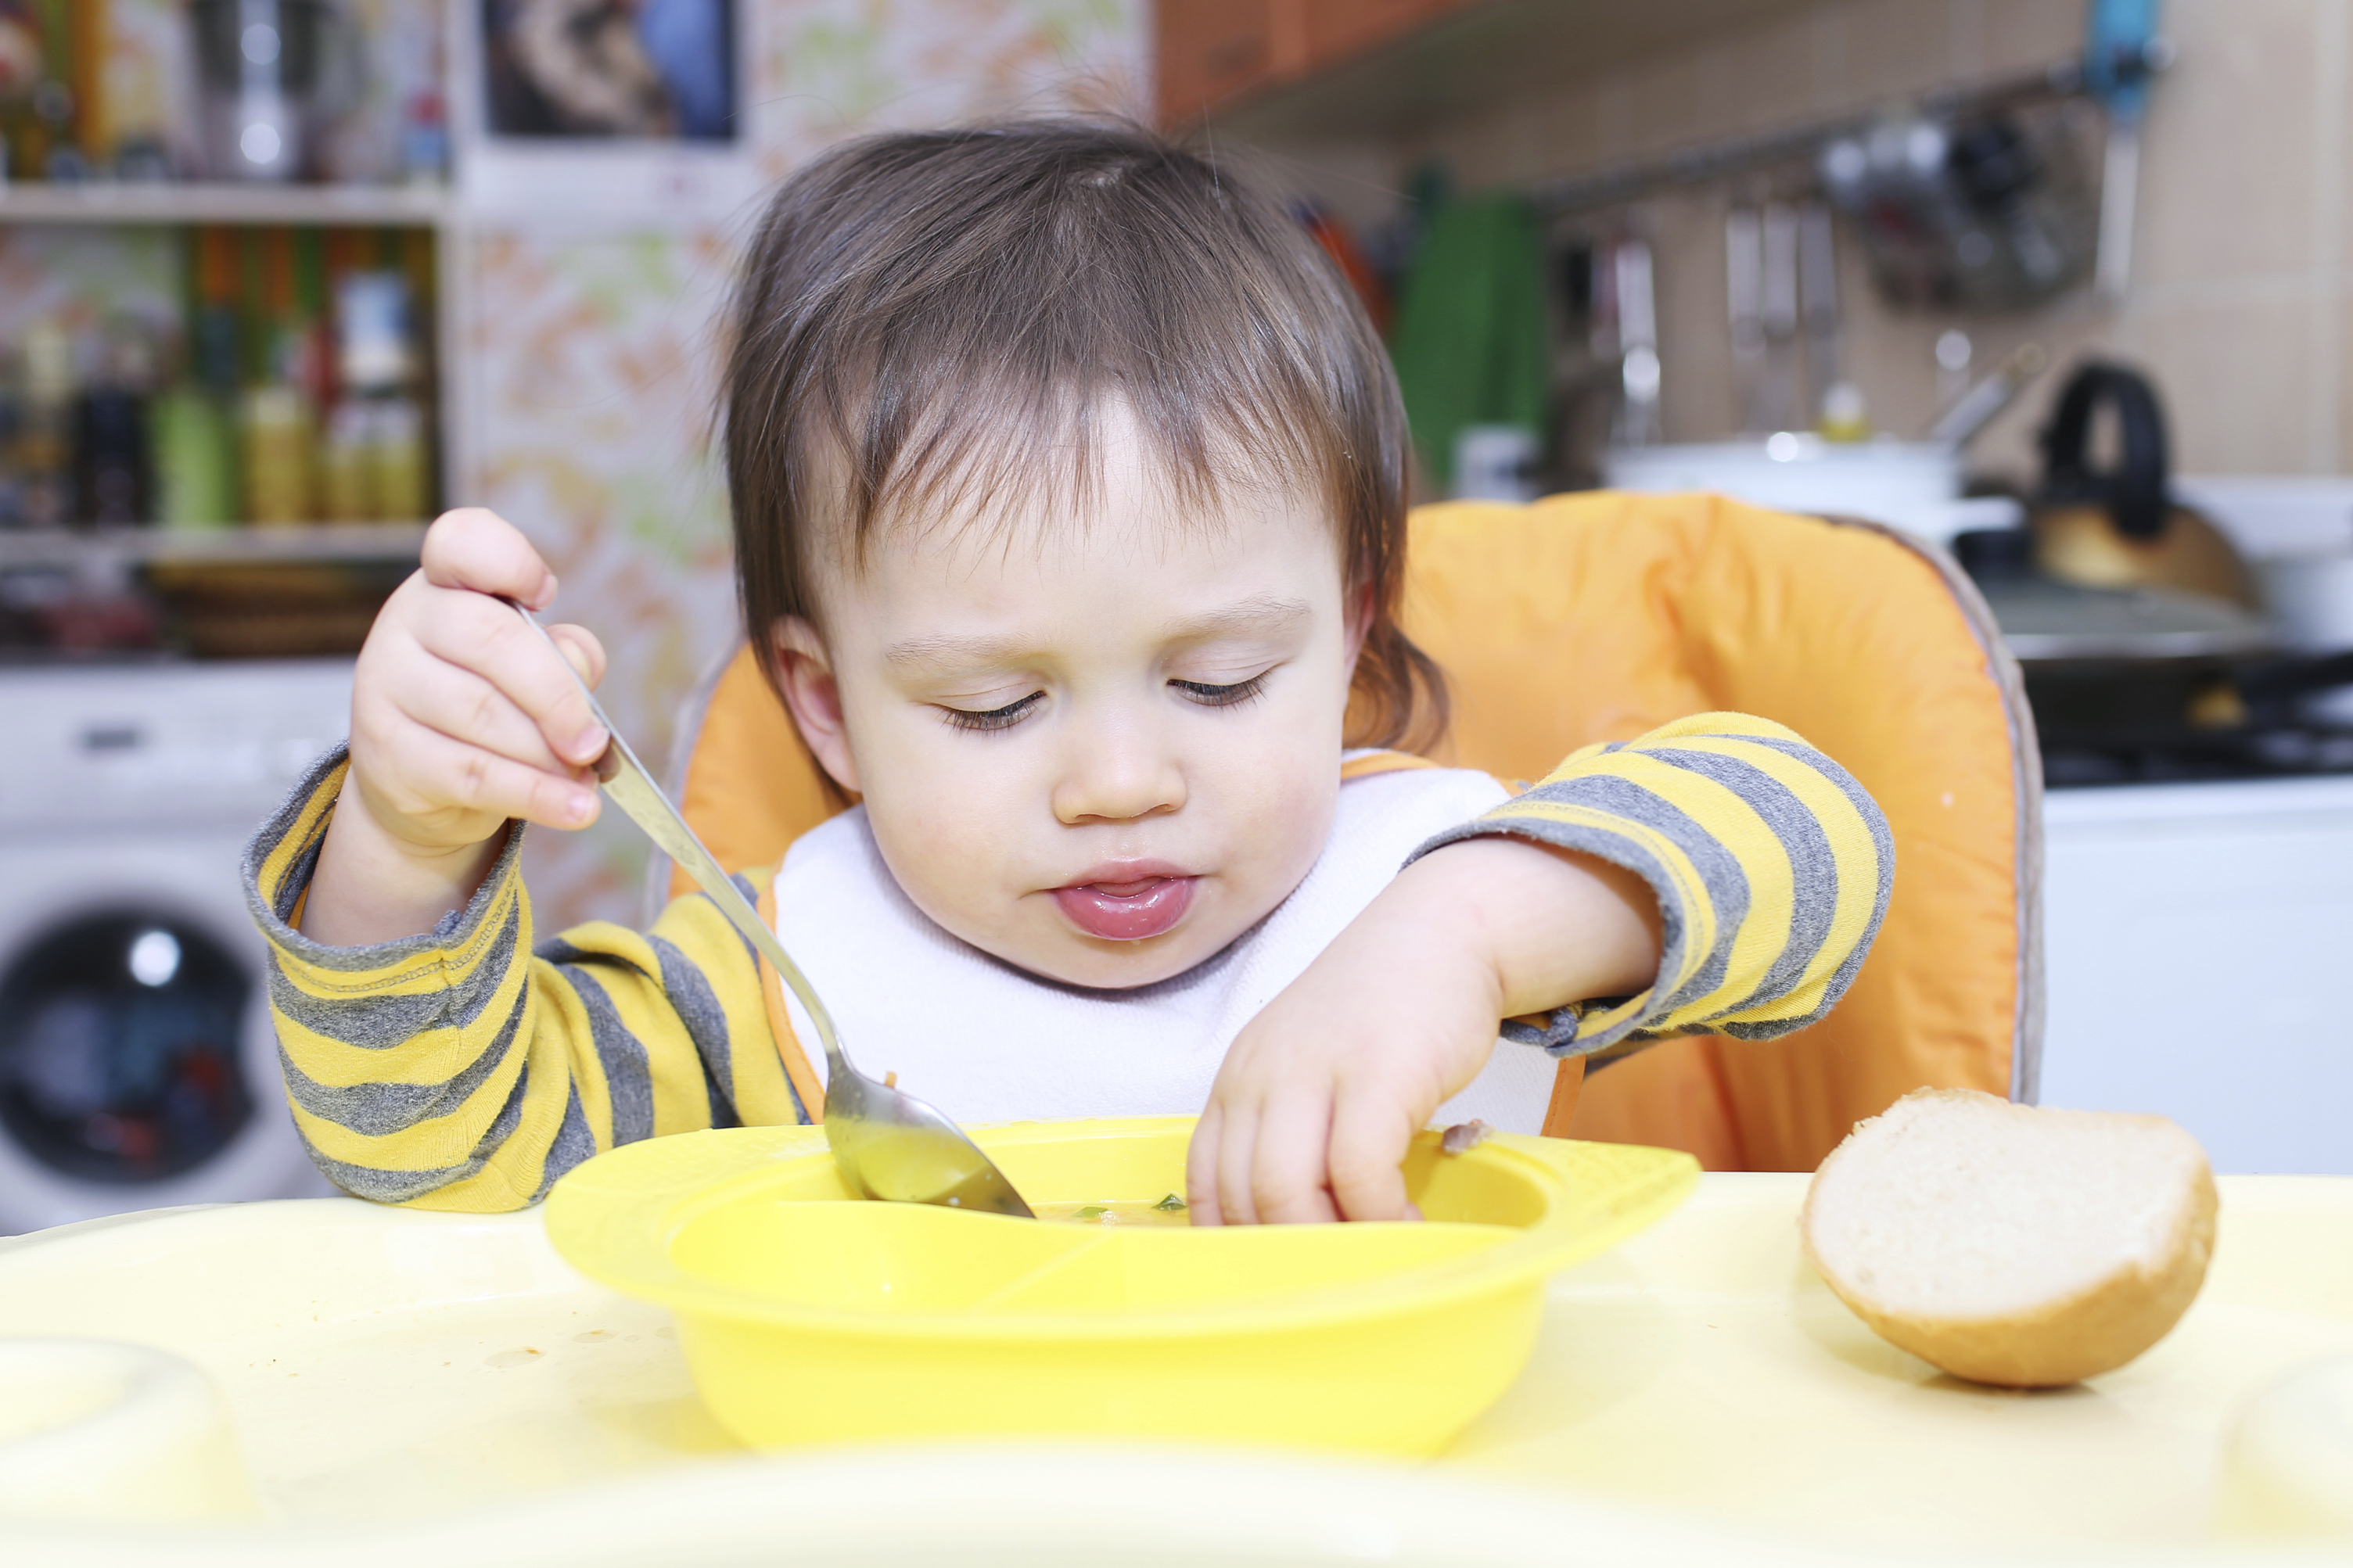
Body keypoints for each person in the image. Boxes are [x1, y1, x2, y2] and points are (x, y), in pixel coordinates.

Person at [245, 121, 1891, 1224]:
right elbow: (435, 1160)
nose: (1119, 782)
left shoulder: (1421, 886)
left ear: (1353, 632)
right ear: (826, 705)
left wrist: (1464, 935)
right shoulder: (777, 997)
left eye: (1223, 678)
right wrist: (400, 844)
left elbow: (1812, 845)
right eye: (993, 706)